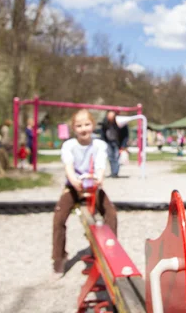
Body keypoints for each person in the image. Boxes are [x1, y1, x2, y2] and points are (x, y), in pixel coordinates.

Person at [53, 109, 117, 276]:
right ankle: (59, 258)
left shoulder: (98, 145)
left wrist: (98, 178)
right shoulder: (69, 146)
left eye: (87, 124)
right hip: (75, 187)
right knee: (59, 217)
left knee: (111, 213)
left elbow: (100, 166)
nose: (83, 129)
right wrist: (75, 181)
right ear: (74, 128)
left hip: (93, 185)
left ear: (93, 126)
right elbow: (69, 166)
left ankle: (110, 252)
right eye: (79, 125)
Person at [101, 110, 122, 178]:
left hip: (117, 142)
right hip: (108, 142)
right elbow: (102, 132)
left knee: (116, 157)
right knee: (110, 157)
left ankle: (115, 173)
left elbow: (125, 135)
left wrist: (123, 146)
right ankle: (113, 172)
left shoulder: (120, 123)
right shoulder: (105, 123)